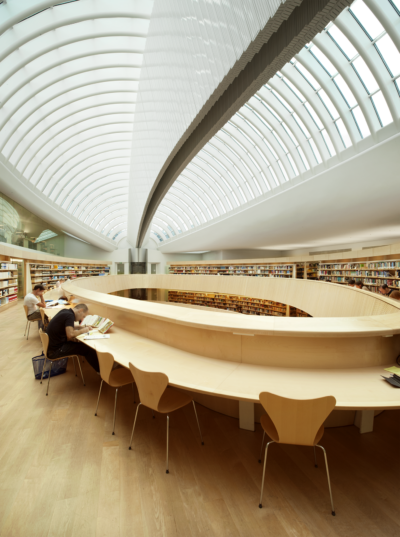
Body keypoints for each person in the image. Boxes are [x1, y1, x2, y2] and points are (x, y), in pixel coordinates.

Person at [46, 304, 100, 373]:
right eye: (83, 316)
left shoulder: (66, 311)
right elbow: (70, 334)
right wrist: (84, 330)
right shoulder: (70, 316)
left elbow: (67, 326)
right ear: (80, 311)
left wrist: (81, 327)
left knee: (82, 346)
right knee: (88, 349)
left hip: (52, 347)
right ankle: (101, 371)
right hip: (56, 350)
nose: (81, 319)